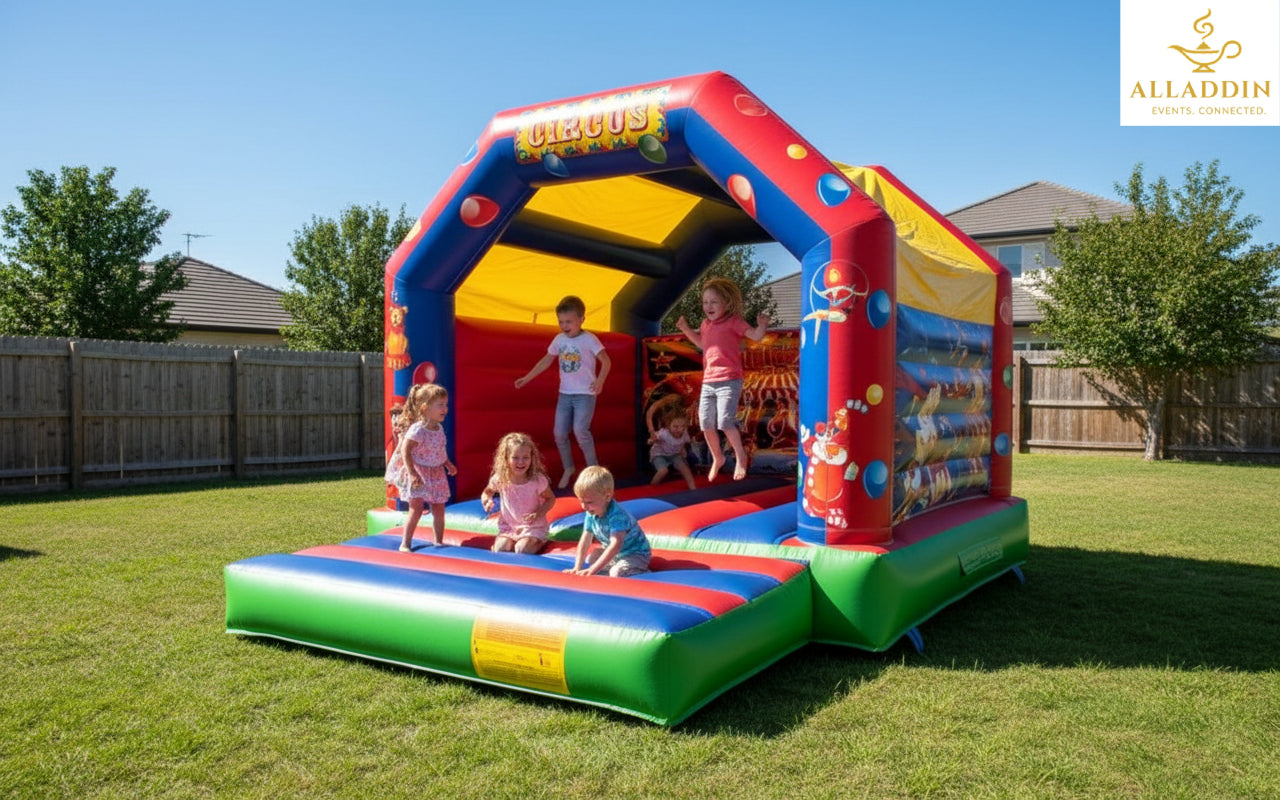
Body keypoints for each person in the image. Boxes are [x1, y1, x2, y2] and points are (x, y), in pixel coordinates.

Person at [676, 278, 770, 481]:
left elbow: (755, 336)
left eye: (714, 302)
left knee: (725, 421)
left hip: (729, 379)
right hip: (709, 381)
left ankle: (740, 458)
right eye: (705, 302)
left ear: (726, 303)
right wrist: (685, 329)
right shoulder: (705, 324)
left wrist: (761, 325)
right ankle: (717, 457)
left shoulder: (734, 322)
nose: (708, 306)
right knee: (705, 423)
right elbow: (702, 344)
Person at [514, 295, 612, 490]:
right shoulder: (559, 339)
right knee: (559, 433)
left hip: (585, 393)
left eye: (569, 322)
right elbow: (546, 360)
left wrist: (600, 382)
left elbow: (606, 361)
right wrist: (527, 378)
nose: (564, 326)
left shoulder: (589, 339)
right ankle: (569, 467)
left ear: (581, 319)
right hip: (565, 394)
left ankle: (594, 473)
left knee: (580, 431)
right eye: (561, 322)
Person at [386, 383, 456, 551]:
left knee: (439, 507)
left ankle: (438, 541)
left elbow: (439, 449)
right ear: (425, 408)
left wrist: (447, 464)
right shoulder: (418, 429)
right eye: (440, 405)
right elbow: (405, 450)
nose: (445, 409)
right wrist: (412, 473)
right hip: (419, 471)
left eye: (445, 405)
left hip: (437, 471)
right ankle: (406, 542)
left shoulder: (438, 428)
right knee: (416, 508)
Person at [564, 466, 651, 578]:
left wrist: (593, 570)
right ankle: (614, 571)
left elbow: (616, 544)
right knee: (593, 557)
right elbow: (585, 540)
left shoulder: (617, 516)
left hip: (635, 555)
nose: (584, 507)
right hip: (617, 556)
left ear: (608, 496)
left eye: (589, 502)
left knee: (616, 573)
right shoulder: (591, 512)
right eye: (581, 501)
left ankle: (643, 572)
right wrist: (577, 567)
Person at [481, 432, 556, 554]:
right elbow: (487, 491)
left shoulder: (537, 480)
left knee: (522, 549)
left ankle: (539, 542)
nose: (521, 462)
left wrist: (539, 513)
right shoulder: (500, 478)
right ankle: (502, 545)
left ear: (532, 458)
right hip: (509, 527)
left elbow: (550, 499)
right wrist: (486, 500)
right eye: (515, 458)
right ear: (506, 458)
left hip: (532, 527)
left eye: (525, 457)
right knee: (501, 549)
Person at [648, 407, 696, 490]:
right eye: (676, 427)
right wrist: (651, 440)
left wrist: (682, 449)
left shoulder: (684, 433)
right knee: (663, 471)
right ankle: (652, 488)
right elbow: (652, 439)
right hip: (659, 454)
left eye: (683, 427)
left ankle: (693, 488)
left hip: (674, 454)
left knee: (684, 468)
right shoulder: (664, 433)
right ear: (668, 426)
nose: (679, 430)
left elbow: (685, 442)